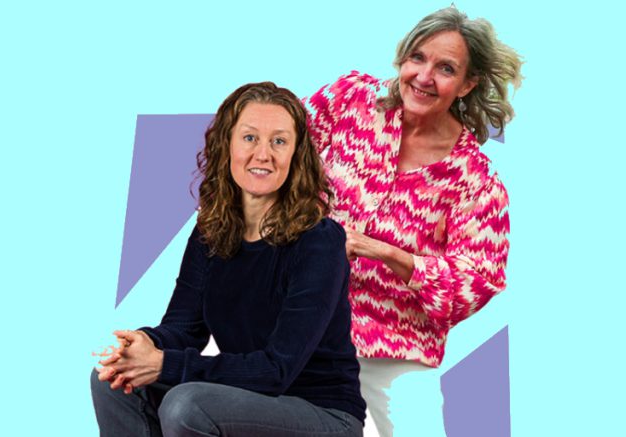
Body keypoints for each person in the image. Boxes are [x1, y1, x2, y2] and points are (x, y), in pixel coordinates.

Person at [91, 82, 366, 437]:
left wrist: (164, 364)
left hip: (324, 414)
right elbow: (184, 330)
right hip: (248, 398)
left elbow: (277, 370)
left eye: (279, 141)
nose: (263, 154)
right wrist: (141, 347)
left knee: (187, 406)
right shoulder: (212, 230)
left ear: (296, 155)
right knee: (113, 379)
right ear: (227, 145)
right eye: (250, 138)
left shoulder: (320, 241)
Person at [303, 6, 522, 437]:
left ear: (468, 84)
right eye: (417, 58)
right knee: (196, 395)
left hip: (390, 351)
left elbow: (474, 284)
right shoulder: (349, 100)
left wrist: (383, 251)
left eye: (446, 68)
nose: (424, 76)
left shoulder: (476, 182)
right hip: (294, 314)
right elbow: (278, 157)